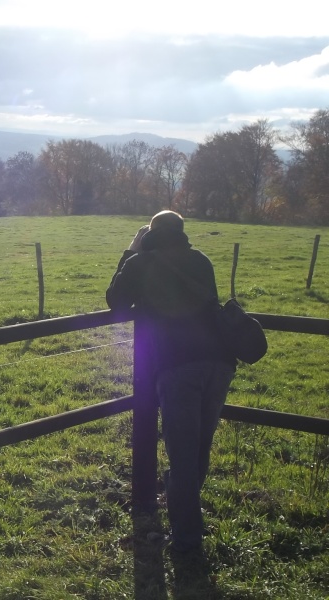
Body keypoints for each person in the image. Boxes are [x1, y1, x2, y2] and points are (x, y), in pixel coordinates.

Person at [106, 210, 236, 554]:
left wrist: (130, 252)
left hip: (178, 366)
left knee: (181, 454)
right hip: (219, 362)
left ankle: (188, 541)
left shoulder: (141, 263)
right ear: (181, 232)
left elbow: (116, 305)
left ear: (150, 233)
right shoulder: (201, 260)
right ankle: (182, 503)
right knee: (198, 446)